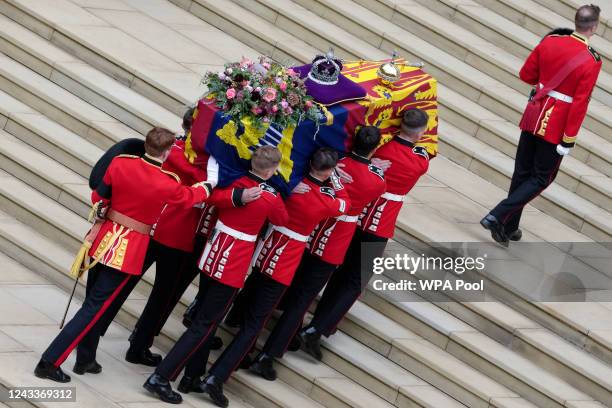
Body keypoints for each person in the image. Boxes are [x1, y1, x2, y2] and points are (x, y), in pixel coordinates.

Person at [34, 127, 212, 383]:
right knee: (93, 308)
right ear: (167, 153)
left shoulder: (121, 163)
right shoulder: (168, 182)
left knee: (93, 304)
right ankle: (49, 361)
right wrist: (209, 184)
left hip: (102, 239)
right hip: (127, 251)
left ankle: (86, 358)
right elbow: (191, 197)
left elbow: (98, 195)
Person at [200, 148, 350, 406]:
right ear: (325, 170)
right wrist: (335, 178)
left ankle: (232, 331)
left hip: (265, 250)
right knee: (255, 325)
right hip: (285, 261)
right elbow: (345, 202)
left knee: (250, 295)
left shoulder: (290, 185)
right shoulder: (322, 199)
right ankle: (217, 377)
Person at [143, 146, 288, 405]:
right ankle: (161, 377)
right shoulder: (269, 196)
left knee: (204, 321)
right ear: (272, 170)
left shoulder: (235, 184)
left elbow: (215, 198)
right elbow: (282, 218)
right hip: (232, 265)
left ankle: (192, 376)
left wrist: (238, 196)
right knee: (204, 325)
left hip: (212, 256)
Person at [245, 127, 385, 381]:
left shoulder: (334, 161)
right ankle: (269, 354)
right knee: (302, 300)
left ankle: (254, 329)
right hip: (334, 239)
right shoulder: (374, 178)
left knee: (288, 288)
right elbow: (352, 199)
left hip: (309, 234)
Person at [299, 109, 430, 360]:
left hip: (354, 217)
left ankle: (306, 320)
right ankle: (317, 328)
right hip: (378, 224)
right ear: (421, 131)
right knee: (354, 280)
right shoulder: (419, 159)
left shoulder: (381, 148)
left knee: (336, 271)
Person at [481, 4, 602, 246]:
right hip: (556, 125)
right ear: (595, 27)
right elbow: (579, 104)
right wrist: (568, 138)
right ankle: (497, 216)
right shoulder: (591, 60)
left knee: (522, 172)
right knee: (541, 178)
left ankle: (509, 226)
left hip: (534, 114)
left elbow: (527, 75)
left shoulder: (551, 41)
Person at [125, 137, 220, 366]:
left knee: (156, 294)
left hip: (164, 225)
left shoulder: (185, 152)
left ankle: (139, 339)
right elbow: (205, 184)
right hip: (176, 231)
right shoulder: (182, 153)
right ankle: (139, 343)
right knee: (162, 296)